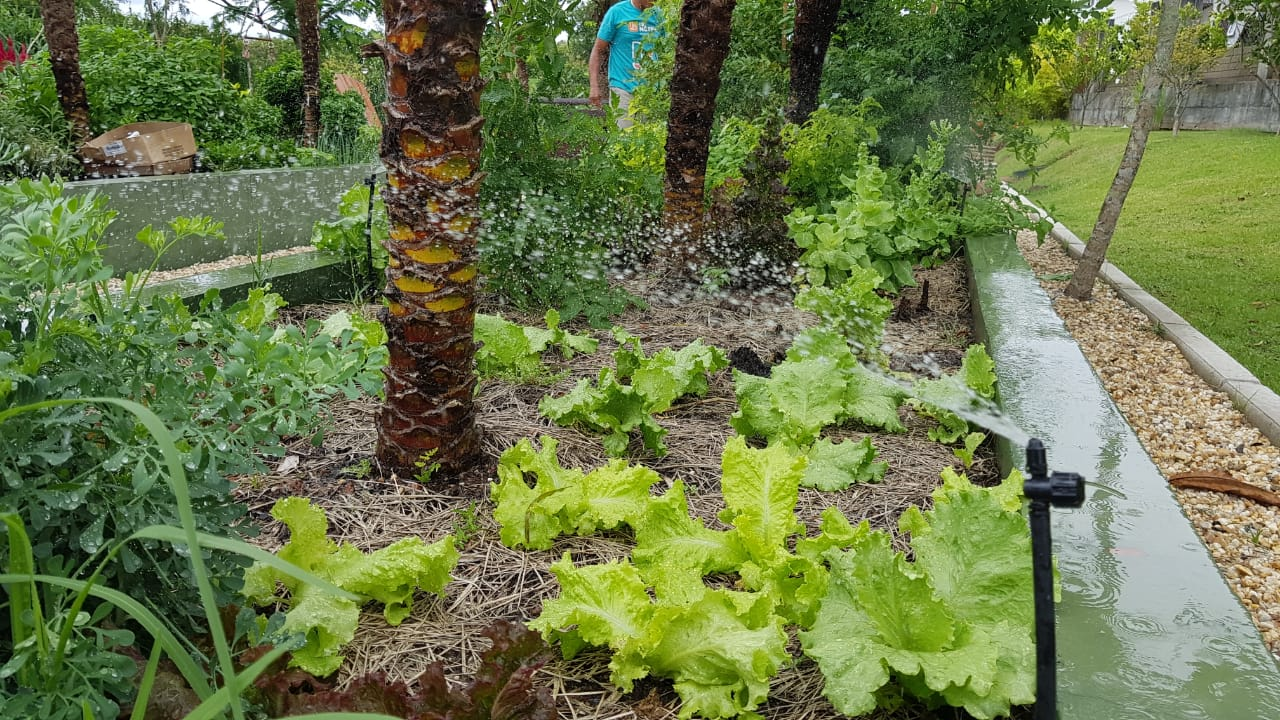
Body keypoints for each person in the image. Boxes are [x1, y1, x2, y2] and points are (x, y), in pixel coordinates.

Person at [588, 0, 663, 129]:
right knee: (623, 140)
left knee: (652, 142)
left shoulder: (659, 15)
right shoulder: (617, 13)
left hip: (651, 92)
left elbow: (666, 51)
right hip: (623, 88)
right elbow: (597, 50)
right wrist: (594, 86)